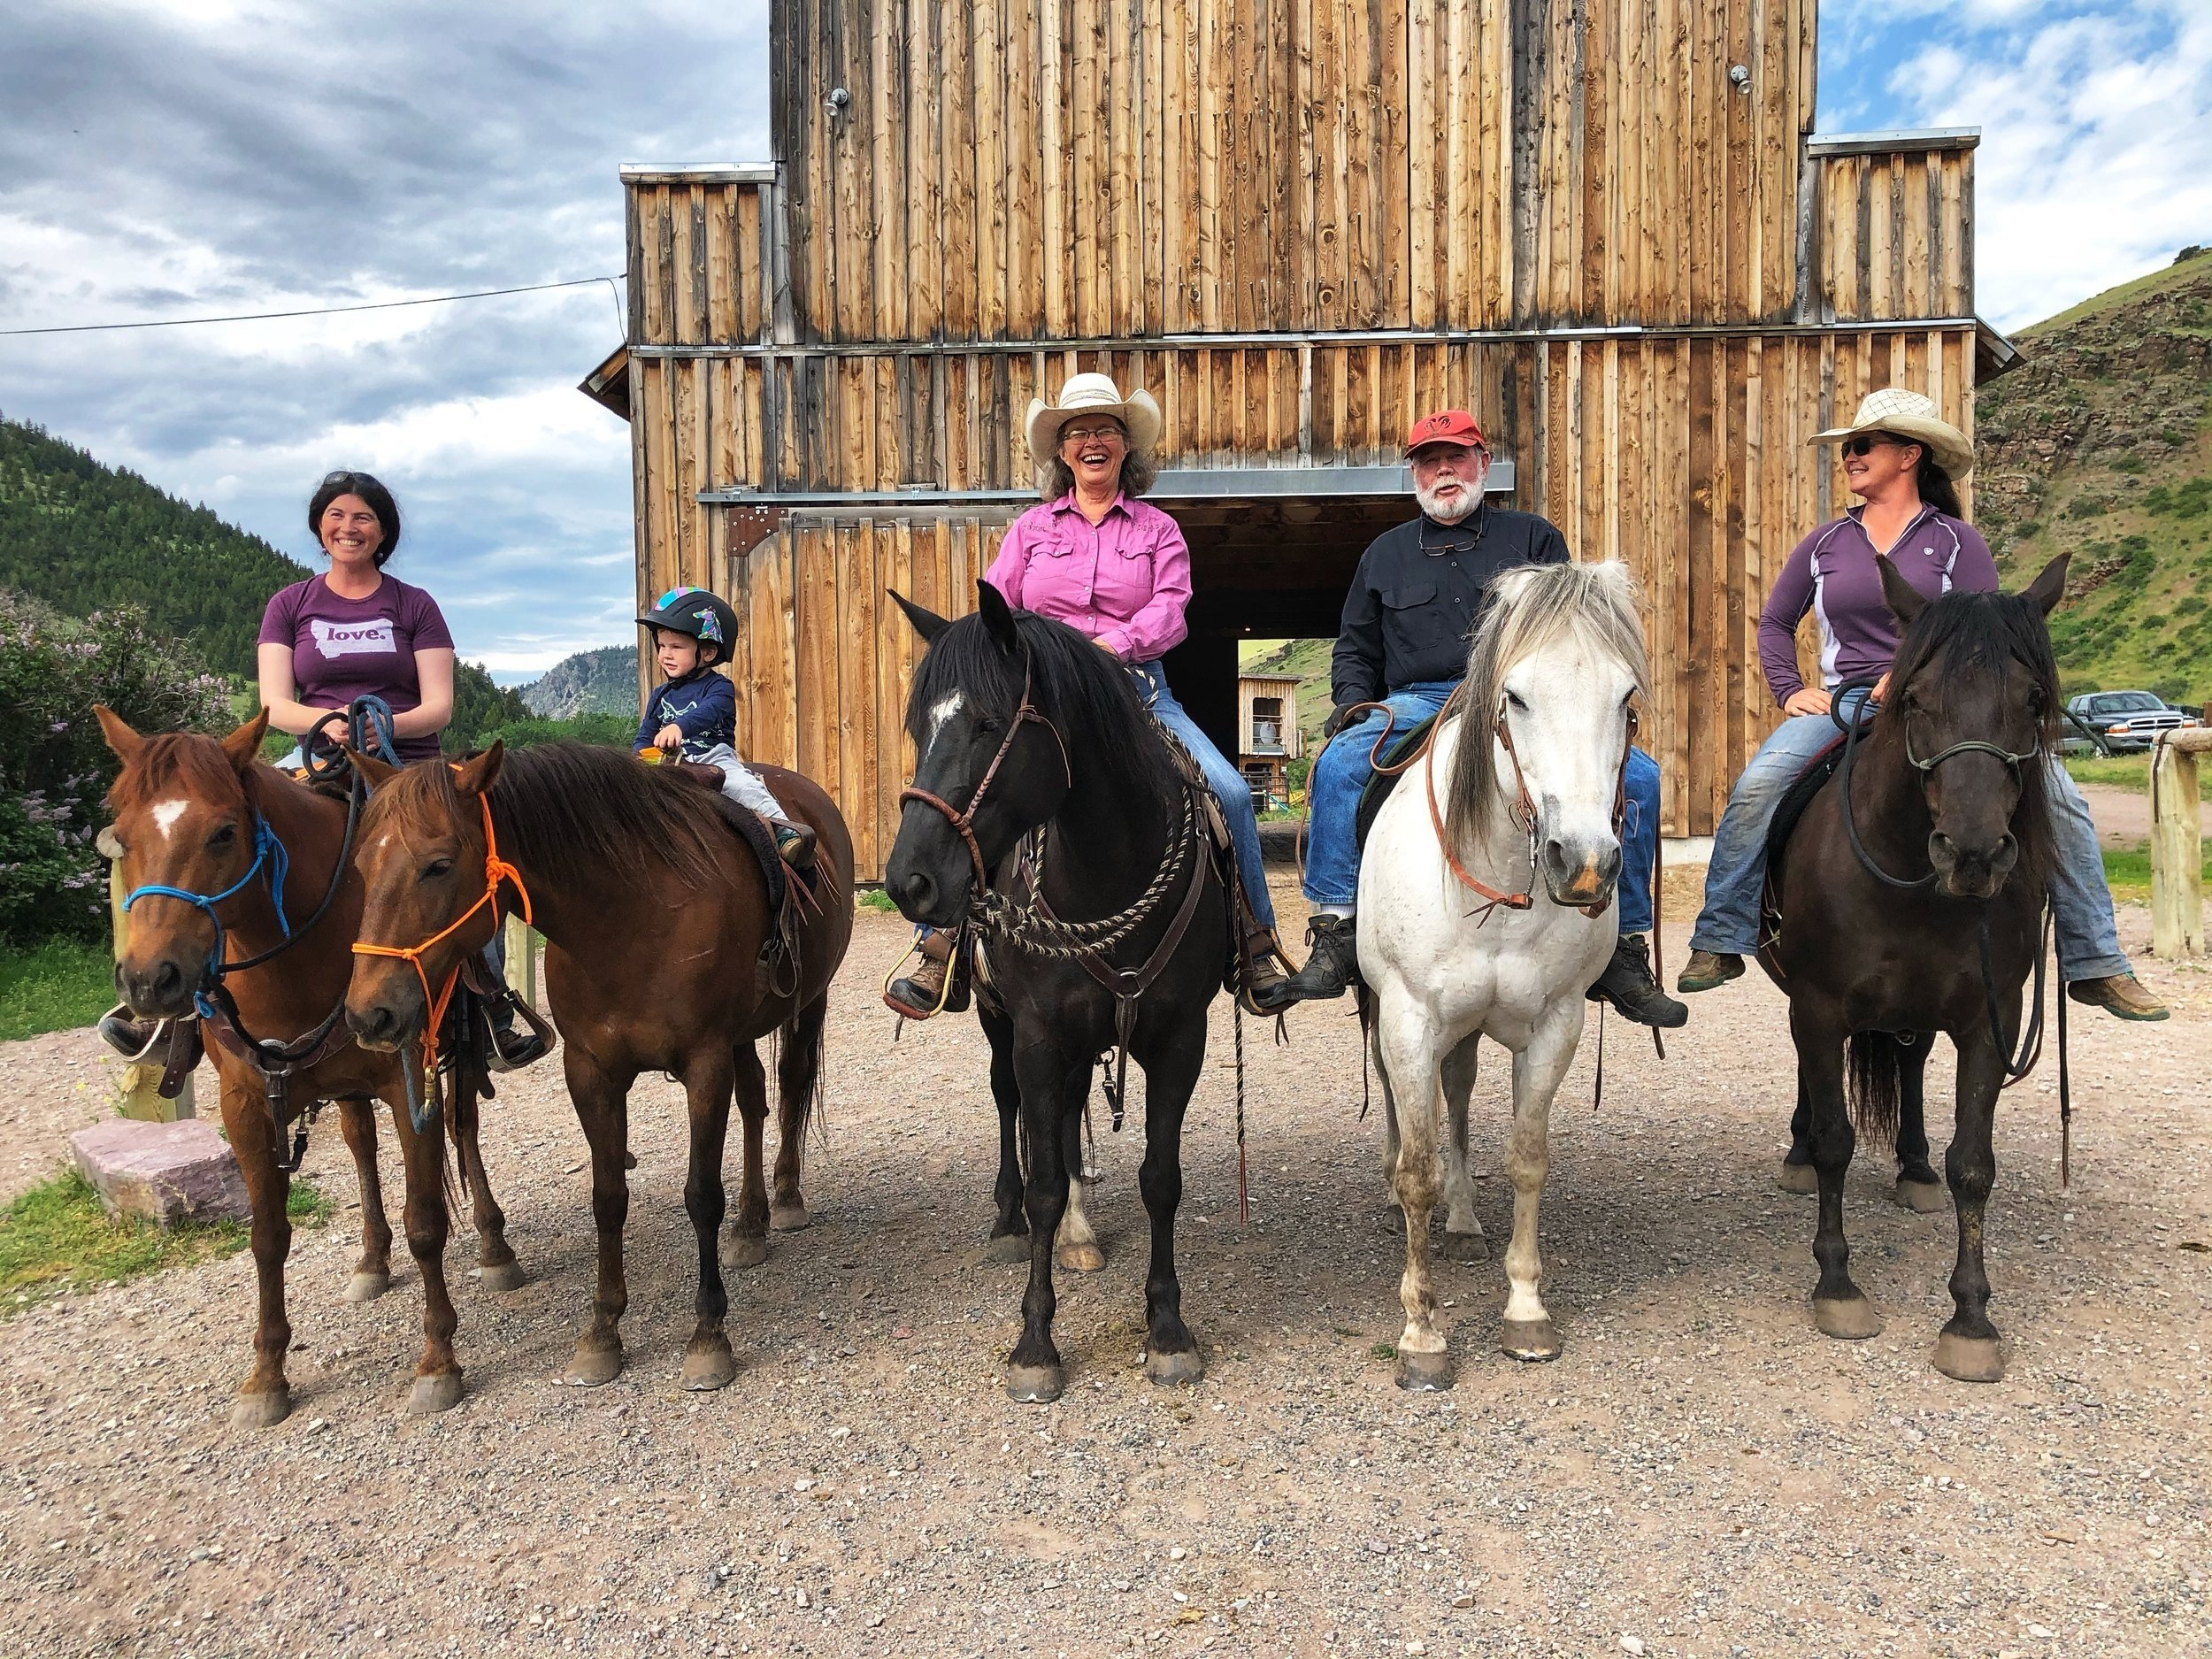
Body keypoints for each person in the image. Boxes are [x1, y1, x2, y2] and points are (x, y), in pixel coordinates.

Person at [1678, 388, 2166, 1020]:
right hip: (1848, 706)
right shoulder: (1826, 543)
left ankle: (2097, 959)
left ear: (1909, 454)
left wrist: (1907, 674)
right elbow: (1774, 621)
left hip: (1948, 711)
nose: (1849, 457)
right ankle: (1722, 935)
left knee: (2065, 800)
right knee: (1757, 785)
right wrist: (1790, 689)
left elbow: (1985, 643)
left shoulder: (1957, 542)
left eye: (1862, 446)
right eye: (1847, 448)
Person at [884, 372, 1293, 1018]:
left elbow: (1174, 608)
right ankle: (942, 946)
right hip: (1043, 705)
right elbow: (999, 613)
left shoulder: (1159, 530)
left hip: (1139, 696)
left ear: (1127, 447)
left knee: (1233, 792)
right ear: (1062, 451)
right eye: (1078, 432)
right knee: (986, 792)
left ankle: (1253, 941)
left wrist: (1112, 648)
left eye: (1105, 429)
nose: (1092, 441)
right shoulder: (1030, 531)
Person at [1277, 409, 1684, 1027]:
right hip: (1416, 701)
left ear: (1482, 464)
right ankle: (1336, 926)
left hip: (1513, 697)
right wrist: (1351, 703)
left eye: (1457, 457)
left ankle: (1625, 945)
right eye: (1428, 459)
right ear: (1413, 472)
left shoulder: (1534, 539)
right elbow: (1355, 646)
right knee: (1337, 766)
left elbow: (1568, 631)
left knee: (1644, 780)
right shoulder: (1383, 556)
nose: (1443, 469)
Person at [635, 587, 815, 866]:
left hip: (714, 759)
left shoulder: (719, 687)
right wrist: (638, 759)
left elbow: (709, 713)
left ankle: (783, 831)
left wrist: (679, 727)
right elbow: (645, 734)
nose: (665, 655)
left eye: (676, 647)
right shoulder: (660, 695)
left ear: (706, 652)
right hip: (670, 765)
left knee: (742, 787)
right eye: (662, 646)